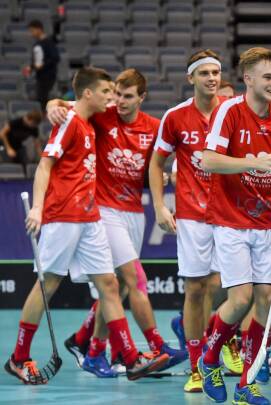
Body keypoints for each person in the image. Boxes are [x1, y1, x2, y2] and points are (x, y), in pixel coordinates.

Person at [4, 67, 169, 385]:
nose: (113, 99)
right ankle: (19, 357)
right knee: (47, 285)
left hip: (90, 217)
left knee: (109, 284)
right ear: (90, 94)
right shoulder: (68, 122)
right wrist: (37, 208)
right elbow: (44, 165)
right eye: (107, 92)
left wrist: (55, 102)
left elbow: (67, 101)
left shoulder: (90, 123)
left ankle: (130, 358)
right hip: (63, 215)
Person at [45, 69, 187, 378]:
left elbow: (160, 164)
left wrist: (165, 178)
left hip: (134, 212)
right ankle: (157, 345)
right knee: (135, 280)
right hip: (104, 210)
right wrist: (52, 104)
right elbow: (65, 104)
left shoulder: (153, 127)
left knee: (117, 288)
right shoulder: (102, 115)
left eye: (127, 96)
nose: (119, 101)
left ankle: (89, 345)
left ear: (142, 98)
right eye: (117, 94)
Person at [197, 47, 271, 405]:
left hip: (269, 220)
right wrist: (253, 163)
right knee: (241, 299)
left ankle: (246, 384)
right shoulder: (230, 111)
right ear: (248, 79)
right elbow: (209, 161)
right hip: (230, 220)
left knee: (266, 301)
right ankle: (209, 359)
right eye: (268, 77)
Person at [149, 49, 232, 393]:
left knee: (225, 288)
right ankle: (197, 366)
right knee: (196, 288)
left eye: (215, 72)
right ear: (191, 78)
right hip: (192, 215)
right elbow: (157, 163)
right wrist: (159, 207)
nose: (211, 78)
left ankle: (219, 349)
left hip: (230, 214)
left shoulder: (232, 111)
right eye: (204, 73)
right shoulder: (175, 117)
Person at [25, 20, 59, 109]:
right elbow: (37, 60)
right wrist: (31, 67)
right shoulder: (37, 44)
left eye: (32, 31)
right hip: (40, 76)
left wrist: (43, 65)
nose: (31, 34)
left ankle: (45, 114)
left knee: (43, 98)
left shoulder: (49, 42)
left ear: (39, 29)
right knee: (40, 97)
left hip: (48, 76)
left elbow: (55, 58)